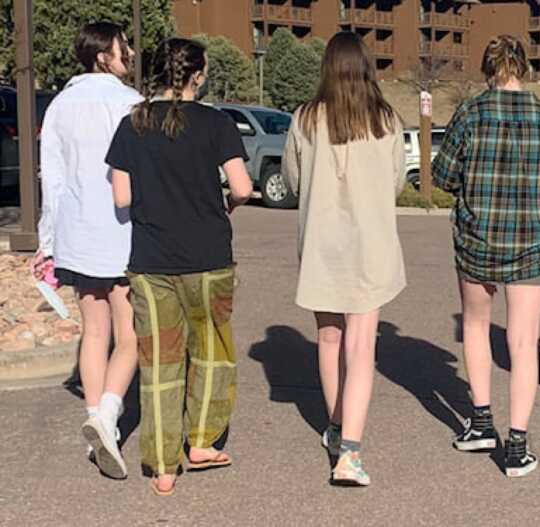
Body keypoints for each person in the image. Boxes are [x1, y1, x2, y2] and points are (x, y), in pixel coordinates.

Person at [107, 38, 253, 496]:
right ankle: (202, 442)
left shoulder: (133, 124)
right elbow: (244, 187)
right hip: (208, 254)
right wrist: (224, 204)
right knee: (212, 350)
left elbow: (122, 197)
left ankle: (162, 465)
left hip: (151, 259)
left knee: (159, 363)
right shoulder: (217, 123)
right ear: (197, 76)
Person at [432, 35, 540, 478]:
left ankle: (480, 423)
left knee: (475, 324)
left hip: (478, 238)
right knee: (522, 341)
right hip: (531, 243)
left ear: (488, 70)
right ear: (524, 69)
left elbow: (443, 175)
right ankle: (517, 443)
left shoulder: (470, 114)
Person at [283, 31, 406, 487]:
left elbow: (294, 181)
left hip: (321, 242)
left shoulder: (305, 119)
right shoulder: (386, 120)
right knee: (361, 347)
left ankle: (336, 429)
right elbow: (395, 182)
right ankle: (350, 452)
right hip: (370, 245)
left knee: (329, 341)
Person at [32, 22, 142, 480]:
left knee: (93, 331)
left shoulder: (59, 105)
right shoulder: (130, 103)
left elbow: (51, 178)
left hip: (76, 234)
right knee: (130, 333)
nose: (130, 52)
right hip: (122, 231)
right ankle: (107, 416)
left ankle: (97, 415)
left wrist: (48, 240)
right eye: (123, 46)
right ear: (105, 55)